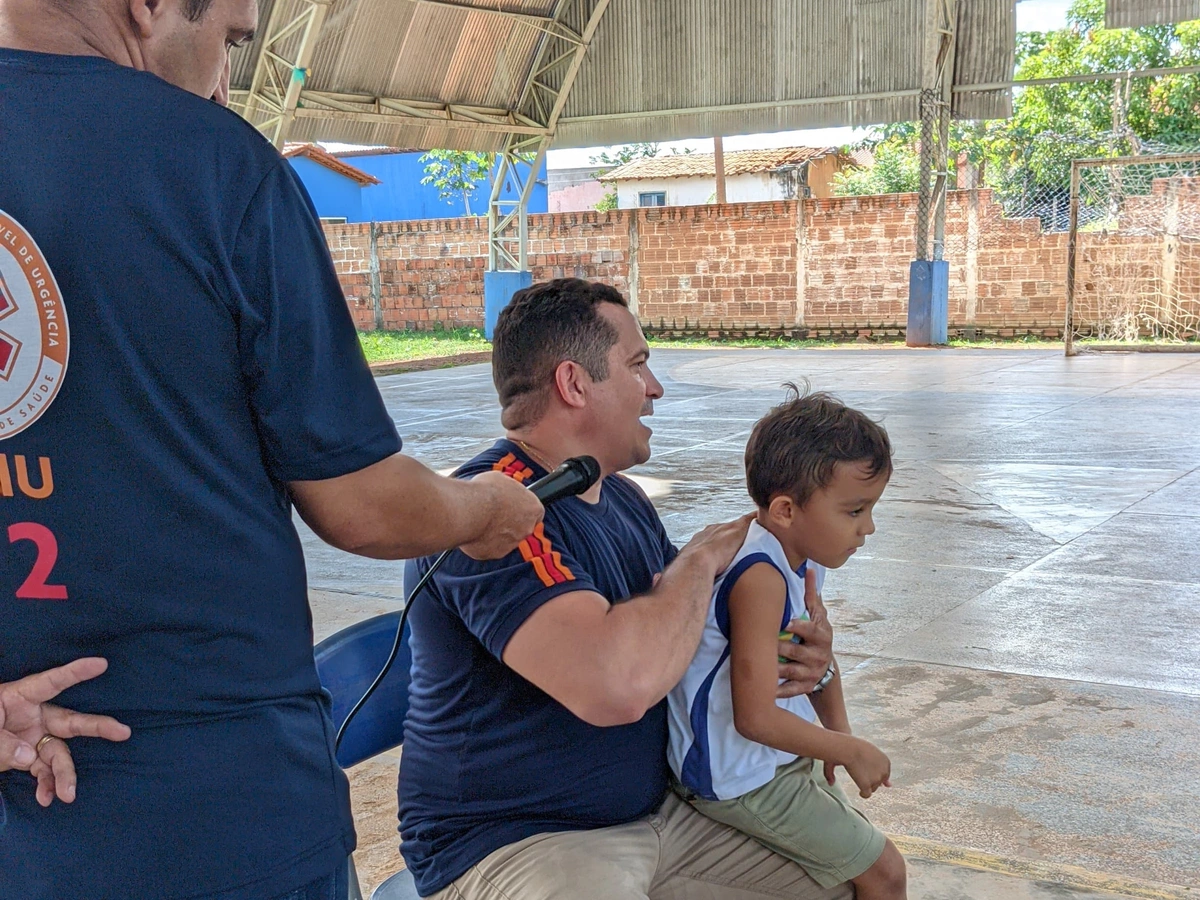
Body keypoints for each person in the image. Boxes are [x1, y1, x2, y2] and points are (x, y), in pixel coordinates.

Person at [0, 0, 543, 897]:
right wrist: (486, 507)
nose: (223, 80)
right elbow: (360, 504)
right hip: (220, 807)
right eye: (232, 41)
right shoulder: (213, 164)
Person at [399, 278, 846, 900]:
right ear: (574, 384)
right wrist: (695, 564)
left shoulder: (623, 497)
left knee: (845, 879)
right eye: (638, 365)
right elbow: (618, 686)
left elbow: (682, 633)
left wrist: (804, 659)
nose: (655, 388)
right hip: (520, 841)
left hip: (658, 814)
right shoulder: (495, 512)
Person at [668, 389, 907, 899]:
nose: (869, 528)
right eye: (855, 510)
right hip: (739, 778)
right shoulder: (759, 576)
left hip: (773, 759)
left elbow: (812, 659)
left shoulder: (800, 556)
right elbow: (752, 717)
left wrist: (837, 738)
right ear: (784, 509)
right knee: (886, 872)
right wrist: (848, 747)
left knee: (859, 860)